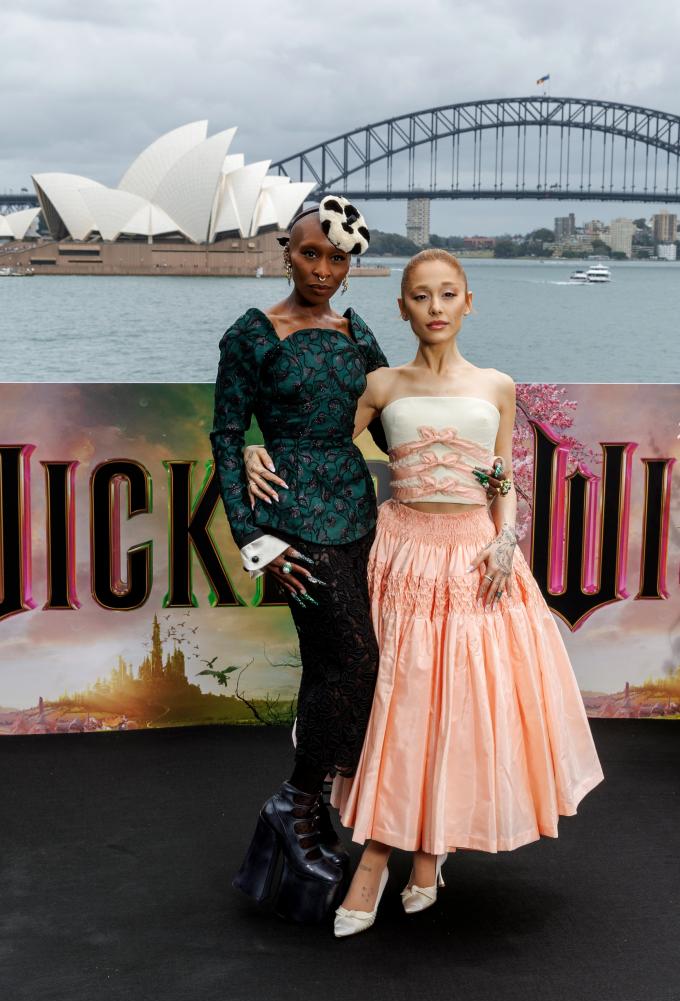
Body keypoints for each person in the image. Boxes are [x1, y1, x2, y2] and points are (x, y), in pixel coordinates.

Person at [244, 249, 605, 938]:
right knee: (398, 708)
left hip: (476, 562)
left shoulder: (498, 385)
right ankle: (379, 857)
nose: (434, 307)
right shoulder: (381, 384)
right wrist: (250, 447)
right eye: (420, 296)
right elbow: (313, 446)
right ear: (402, 307)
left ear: (468, 303)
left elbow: (500, 479)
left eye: (447, 294)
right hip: (401, 555)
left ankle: (425, 856)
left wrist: (506, 540)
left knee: (460, 707)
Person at [210, 196, 390, 923]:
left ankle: (302, 818)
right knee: (357, 661)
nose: (323, 269)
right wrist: (253, 538)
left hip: (355, 514)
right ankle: (294, 802)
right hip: (291, 523)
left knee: (330, 669)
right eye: (311, 253)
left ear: (351, 265)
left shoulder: (357, 330)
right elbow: (226, 434)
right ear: (287, 250)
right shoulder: (254, 334)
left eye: (338, 257)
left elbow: (396, 408)